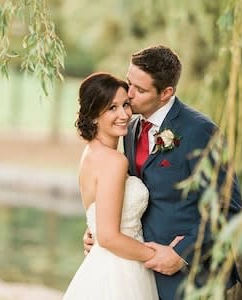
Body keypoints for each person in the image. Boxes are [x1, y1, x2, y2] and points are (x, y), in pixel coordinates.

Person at [84, 45, 242, 299]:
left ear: (166, 93)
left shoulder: (199, 131)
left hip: (191, 279)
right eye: (129, 83)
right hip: (139, 273)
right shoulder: (131, 127)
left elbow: (230, 208)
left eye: (141, 89)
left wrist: (182, 254)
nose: (129, 95)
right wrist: (100, 230)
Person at [63, 72, 159, 300]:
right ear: (94, 116)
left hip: (102, 265)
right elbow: (108, 237)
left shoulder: (90, 154)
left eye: (126, 104)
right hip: (121, 270)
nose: (124, 114)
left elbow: (100, 223)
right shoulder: (114, 161)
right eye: (111, 108)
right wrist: (156, 255)